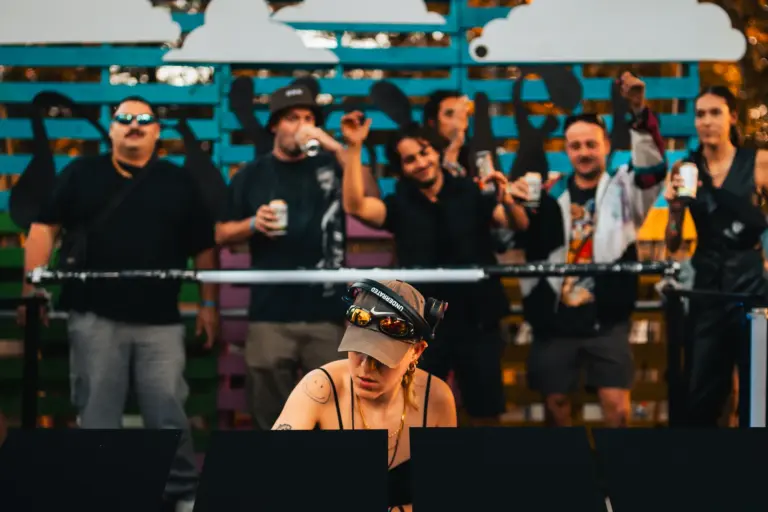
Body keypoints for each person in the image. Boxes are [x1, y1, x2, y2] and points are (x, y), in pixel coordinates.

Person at [20, 96, 218, 512]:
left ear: (157, 131)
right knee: (97, 414)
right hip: (94, 316)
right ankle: (101, 493)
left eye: (144, 118)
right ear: (111, 129)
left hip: (160, 322)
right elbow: (43, 230)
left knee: (168, 413)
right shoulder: (80, 173)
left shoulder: (179, 182)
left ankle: (183, 493)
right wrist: (30, 288)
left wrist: (208, 304)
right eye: (124, 117)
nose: (134, 124)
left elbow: (204, 247)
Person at [341, 112, 530, 424]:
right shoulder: (399, 203)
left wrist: (508, 198)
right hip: (422, 327)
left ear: (437, 152)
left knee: (486, 412)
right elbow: (355, 206)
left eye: (424, 152)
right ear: (401, 168)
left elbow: (517, 224)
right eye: (410, 159)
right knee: (419, 412)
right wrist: (354, 146)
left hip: (478, 321)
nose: (421, 162)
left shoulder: (470, 191)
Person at [517, 73, 667, 427]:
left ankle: (615, 465)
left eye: (590, 144)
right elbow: (513, 234)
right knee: (555, 407)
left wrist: (638, 110)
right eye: (575, 146)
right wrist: (510, 200)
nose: (583, 152)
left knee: (616, 408)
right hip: (554, 320)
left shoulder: (625, 189)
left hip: (607, 319)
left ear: (606, 146)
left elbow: (652, 170)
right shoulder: (548, 193)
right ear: (566, 150)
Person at [216, 84, 359, 430]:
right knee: (272, 418)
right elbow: (221, 233)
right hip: (271, 313)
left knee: (337, 416)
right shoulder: (252, 175)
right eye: (293, 118)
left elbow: (367, 193)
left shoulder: (333, 165)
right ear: (274, 126)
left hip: (326, 314)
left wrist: (336, 146)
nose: (302, 125)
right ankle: (278, 467)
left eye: (309, 118)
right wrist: (253, 224)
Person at [272, 278, 457, 512]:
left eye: (382, 358)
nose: (365, 369)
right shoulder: (320, 388)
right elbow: (270, 475)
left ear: (416, 351)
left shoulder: (436, 399)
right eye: (358, 351)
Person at [664, 85, 768, 427]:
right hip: (707, 286)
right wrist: (674, 209)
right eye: (700, 114)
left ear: (732, 117)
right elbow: (673, 242)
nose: (706, 121)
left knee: (756, 388)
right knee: (702, 392)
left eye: (715, 113)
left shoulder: (758, 162)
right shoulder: (686, 168)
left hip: (751, 283)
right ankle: (705, 456)